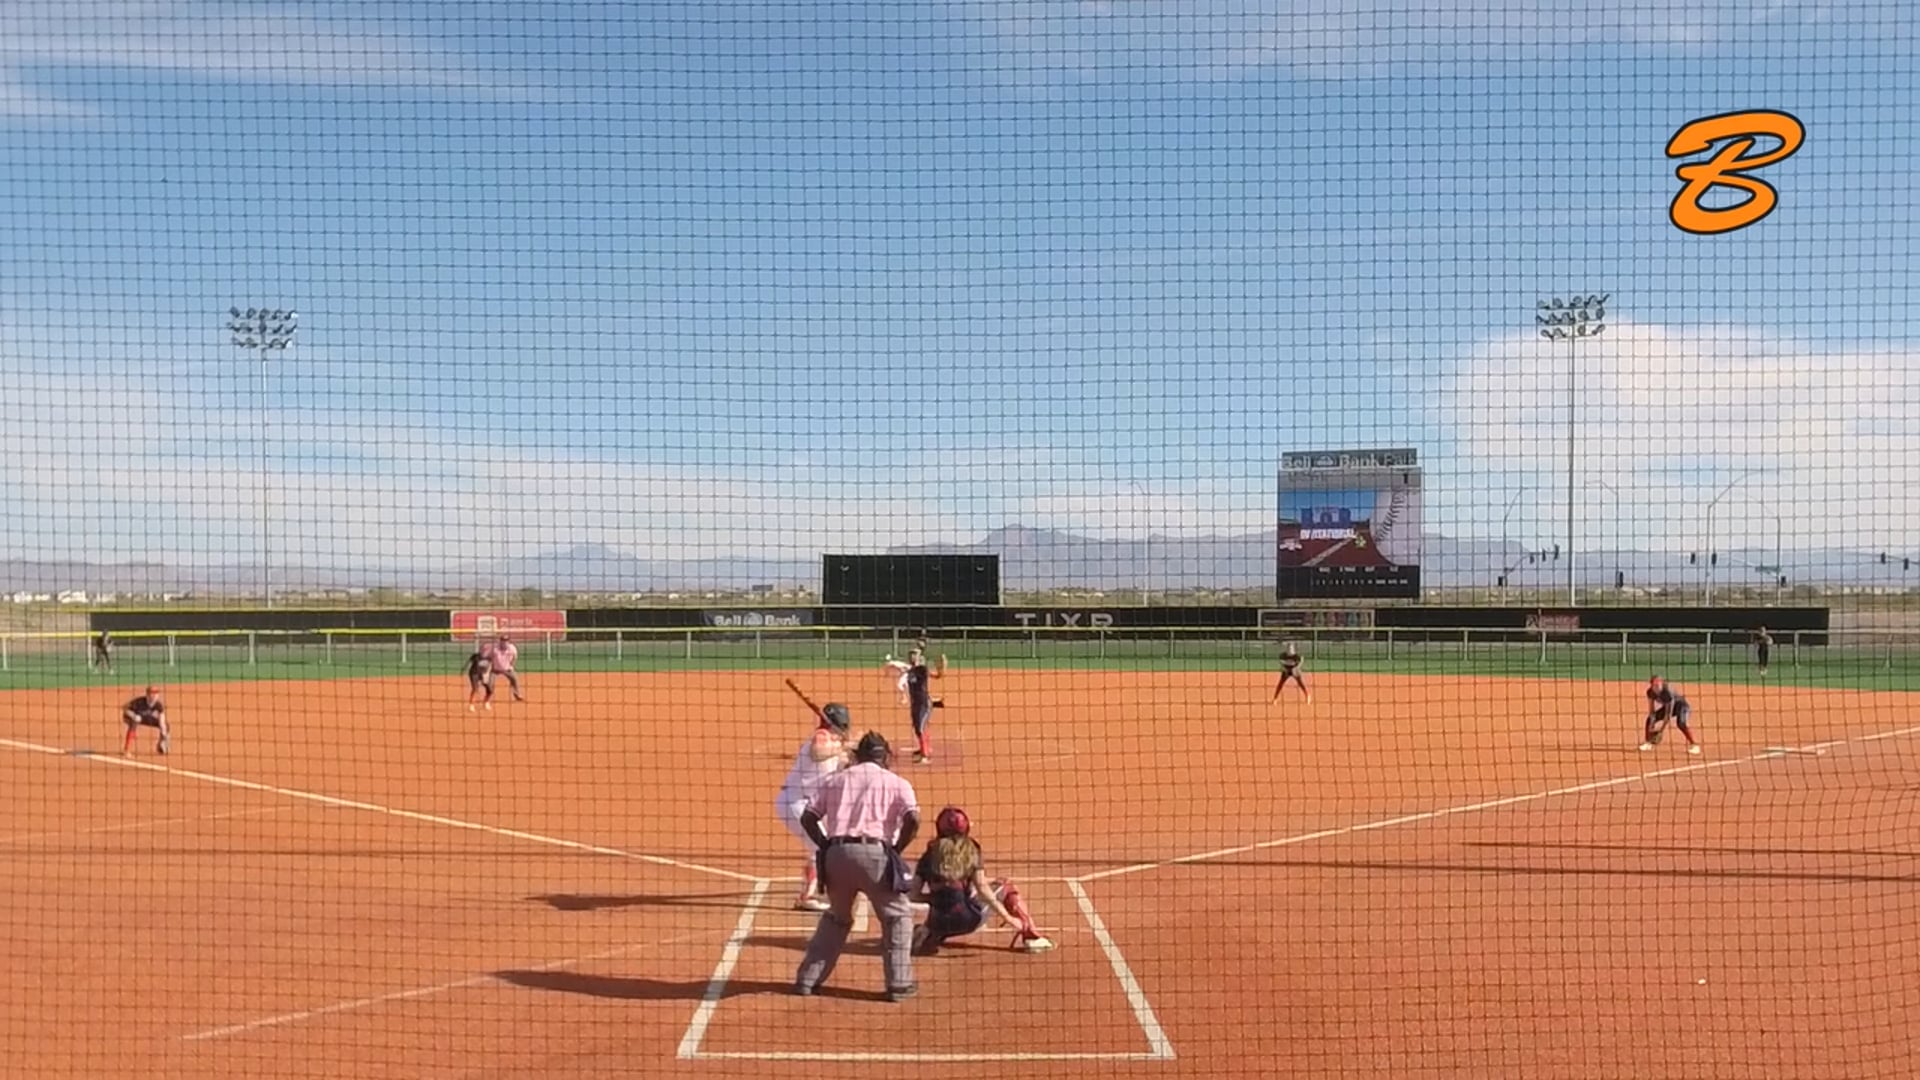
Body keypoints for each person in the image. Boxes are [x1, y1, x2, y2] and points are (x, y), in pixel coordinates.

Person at [794, 731, 922, 1002]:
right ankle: (899, 984)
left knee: (836, 918)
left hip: (836, 855)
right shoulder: (897, 782)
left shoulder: (836, 779)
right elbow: (913, 819)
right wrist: (896, 850)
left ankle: (807, 980)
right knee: (897, 917)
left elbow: (808, 818)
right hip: (875, 855)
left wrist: (826, 846)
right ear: (885, 757)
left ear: (858, 755)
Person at [910, 806, 1052, 956]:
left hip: (939, 922)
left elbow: (913, 895)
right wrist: (1009, 919)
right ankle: (1031, 935)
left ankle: (929, 933)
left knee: (946, 911)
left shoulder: (929, 854)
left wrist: (937, 898)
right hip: (968, 919)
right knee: (1005, 886)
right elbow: (982, 887)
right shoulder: (970, 849)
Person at [775, 701, 854, 911]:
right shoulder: (822, 736)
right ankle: (807, 897)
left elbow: (844, 766)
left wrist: (850, 753)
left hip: (808, 805)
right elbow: (818, 752)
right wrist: (841, 748)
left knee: (825, 844)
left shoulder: (835, 744)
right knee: (821, 847)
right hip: (795, 803)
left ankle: (814, 890)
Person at [903, 647, 946, 765]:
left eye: (915, 655)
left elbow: (938, 676)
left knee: (920, 728)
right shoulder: (910, 671)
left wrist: (942, 666)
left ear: (919, 657)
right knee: (918, 727)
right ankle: (925, 748)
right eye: (911, 655)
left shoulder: (922, 669)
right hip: (915, 703)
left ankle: (925, 756)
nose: (912, 657)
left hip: (923, 704)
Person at [1642, 675, 1701, 755]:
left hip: (1682, 706)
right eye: (1655, 686)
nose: (1657, 688)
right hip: (1669, 708)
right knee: (1649, 719)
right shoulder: (1650, 693)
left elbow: (1668, 715)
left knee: (1681, 723)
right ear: (1651, 686)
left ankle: (1694, 745)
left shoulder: (1667, 692)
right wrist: (1651, 726)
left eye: (1658, 685)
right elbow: (1651, 711)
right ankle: (1648, 743)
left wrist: (1660, 731)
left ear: (1662, 684)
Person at [121, 685, 170, 756]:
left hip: (143, 717)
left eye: (156, 693)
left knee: (165, 725)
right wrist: (133, 715)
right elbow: (125, 708)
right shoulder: (139, 702)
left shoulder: (158, 705)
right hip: (130, 716)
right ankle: (126, 749)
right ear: (147, 694)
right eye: (152, 693)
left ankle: (161, 745)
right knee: (134, 723)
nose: (154, 695)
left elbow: (161, 720)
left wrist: (163, 732)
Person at [483, 634, 526, 703]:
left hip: (507, 669)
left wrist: (511, 665)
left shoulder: (512, 648)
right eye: (503, 640)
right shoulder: (494, 648)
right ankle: (487, 697)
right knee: (490, 684)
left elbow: (515, 657)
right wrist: (489, 665)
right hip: (495, 669)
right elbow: (488, 657)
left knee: (514, 679)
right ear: (500, 641)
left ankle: (517, 695)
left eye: (506, 641)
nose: (504, 642)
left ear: (508, 641)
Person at [464, 646, 494, 712]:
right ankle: (471, 705)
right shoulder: (476, 656)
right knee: (475, 689)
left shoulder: (490, 657)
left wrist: (486, 675)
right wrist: (465, 669)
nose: (484, 651)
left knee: (490, 689)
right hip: (474, 673)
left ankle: (486, 702)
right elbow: (468, 663)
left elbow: (490, 666)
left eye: (486, 650)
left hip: (483, 674)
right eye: (483, 649)